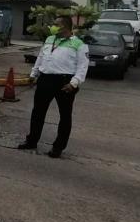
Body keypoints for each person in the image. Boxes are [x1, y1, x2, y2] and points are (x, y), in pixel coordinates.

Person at [18, 15, 89, 158]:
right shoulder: (50, 39)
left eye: (56, 24)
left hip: (65, 82)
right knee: (37, 112)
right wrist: (34, 73)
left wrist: (74, 83)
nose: (53, 26)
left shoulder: (79, 44)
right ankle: (31, 141)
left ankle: (58, 147)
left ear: (65, 27)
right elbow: (40, 57)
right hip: (45, 79)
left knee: (65, 116)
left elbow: (83, 66)